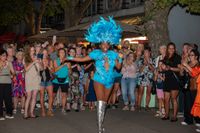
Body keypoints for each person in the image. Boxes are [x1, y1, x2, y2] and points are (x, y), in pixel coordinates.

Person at [68, 16, 122, 133]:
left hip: (110, 80)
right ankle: (99, 128)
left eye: (107, 44)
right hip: (98, 79)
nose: (105, 46)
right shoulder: (96, 53)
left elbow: (118, 68)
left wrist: (117, 60)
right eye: (103, 44)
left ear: (110, 44)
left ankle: (101, 122)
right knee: (100, 101)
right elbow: (82, 59)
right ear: (100, 44)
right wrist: (69, 57)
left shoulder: (114, 54)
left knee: (105, 102)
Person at [162, 42, 181, 122]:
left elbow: (180, 69)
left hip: (174, 80)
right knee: (166, 99)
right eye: (170, 48)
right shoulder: (166, 57)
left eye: (173, 48)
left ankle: (174, 116)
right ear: (167, 49)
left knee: (173, 98)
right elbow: (163, 67)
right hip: (167, 79)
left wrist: (171, 68)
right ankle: (166, 114)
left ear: (175, 49)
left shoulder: (177, 57)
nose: (171, 50)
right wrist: (163, 67)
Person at [181, 50, 200, 127]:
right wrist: (183, 68)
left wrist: (186, 66)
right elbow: (183, 74)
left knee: (196, 104)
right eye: (190, 55)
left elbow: (195, 73)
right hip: (188, 85)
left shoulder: (198, 64)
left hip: (195, 86)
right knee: (187, 103)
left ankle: (198, 120)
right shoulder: (189, 64)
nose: (190, 57)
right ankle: (188, 120)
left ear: (196, 56)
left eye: (192, 55)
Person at [24, 45, 41, 119]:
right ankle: (25, 114)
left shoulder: (36, 57)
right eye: (31, 50)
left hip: (36, 78)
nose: (33, 51)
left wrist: (39, 62)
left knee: (34, 96)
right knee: (29, 97)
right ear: (28, 51)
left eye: (33, 50)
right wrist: (34, 62)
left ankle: (31, 113)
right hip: (29, 78)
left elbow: (40, 69)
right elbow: (26, 69)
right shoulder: (25, 58)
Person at [52, 48, 71, 115]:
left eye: (63, 52)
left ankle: (63, 108)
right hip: (56, 79)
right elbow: (55, 70)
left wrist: (69, 68)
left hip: (65, 79)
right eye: (61, 52)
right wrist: (63, 64)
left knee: (64, 95)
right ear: (58, 53)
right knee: (53, 94)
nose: (62, 53)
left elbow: (70, 72)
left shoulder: (68, 61)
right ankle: (50, 107)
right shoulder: (55, 60)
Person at [137, 46, 154, 111]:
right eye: (144, 52)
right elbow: (140, 71)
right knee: (140, 92)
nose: (145, 53)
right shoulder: (141, 60)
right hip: (142, 77)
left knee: (148, 92)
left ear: (150, 53)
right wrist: (144, 64)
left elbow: (153, 70)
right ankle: (138, 105)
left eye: (147, 52)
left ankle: (147, 106)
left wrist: (149, 64)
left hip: (149, 78)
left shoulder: (153, 60)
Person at [0, 49, 15, 120]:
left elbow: (13, 72)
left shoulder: (9, 63)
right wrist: (2, 67)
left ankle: (9, 113)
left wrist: (12, 74)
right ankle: (0, 115)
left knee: (8, 99)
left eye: (5, 55)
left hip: (8, 82)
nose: (4, 57)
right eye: (3, 55)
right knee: (0, 99)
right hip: (0, 83)